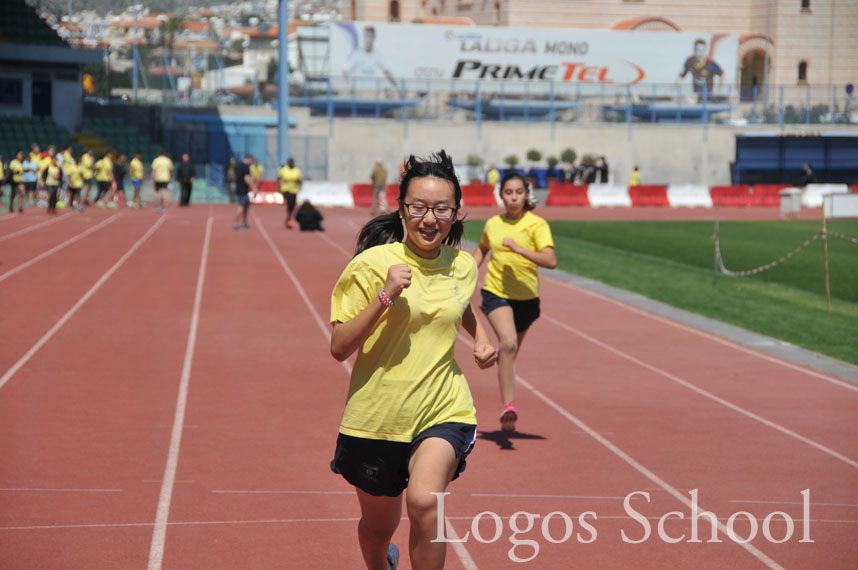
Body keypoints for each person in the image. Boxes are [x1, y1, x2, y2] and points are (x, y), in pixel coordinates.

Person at [329, 151, 497, 570]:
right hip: (376, 418)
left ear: (456, 213)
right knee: (378, 526)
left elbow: (460, 306)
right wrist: (385, 297)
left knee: (424, 503)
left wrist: (481, 338)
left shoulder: (461, 266)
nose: (429, 219)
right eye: (418, 207)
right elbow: (339, 346)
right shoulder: (372, 266)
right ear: (402, 209)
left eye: (441, 209)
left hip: (443, 408)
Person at [472, 171, 557, 433]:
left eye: (518, 192)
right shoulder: (492, 224)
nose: (513, 197)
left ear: (525, 194)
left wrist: (521, 250)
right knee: (507, 344)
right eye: (508, 192)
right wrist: (467, 272)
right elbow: (483, 248)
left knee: (509, 353)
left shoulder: (537, 225)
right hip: (495, 292)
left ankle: (503, 363)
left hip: (527, 300)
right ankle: (508, 405)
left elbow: (550, 261)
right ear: (501, 195)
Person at [344, 24, 397, 90]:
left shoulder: (378, 55)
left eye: (369, 36)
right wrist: (348, 86)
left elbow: (386, 71)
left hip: (372, 91)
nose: (367, 39)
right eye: (366, 36)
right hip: (359, 91)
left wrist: (397, 86)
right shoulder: (357, 54)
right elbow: (345, 70)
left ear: (374, 37)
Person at [278, 157, 302, 228]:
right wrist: (278, 188)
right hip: (285, 189)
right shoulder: (283, 170)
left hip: (294, 190)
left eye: (292, 162)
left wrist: (298, 181)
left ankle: (289, 217)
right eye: (290, 162)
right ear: (288, 163)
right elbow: (279, 179)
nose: (291, 164)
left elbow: (299, 181)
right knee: (289, 203)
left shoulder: (297, 170)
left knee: (292, 205)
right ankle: (289, 219)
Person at [233, 154, 254, 230]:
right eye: (251, 161)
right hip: (243, 190)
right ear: (248, 159)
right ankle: (236, 223)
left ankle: (244, 222)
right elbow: (246, 178)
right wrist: (254, 188)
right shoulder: (245, 167)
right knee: (241, 206)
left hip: (239, 188)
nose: (251, 163)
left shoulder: (237, 166)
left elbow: (234, 176)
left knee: (246, 205)